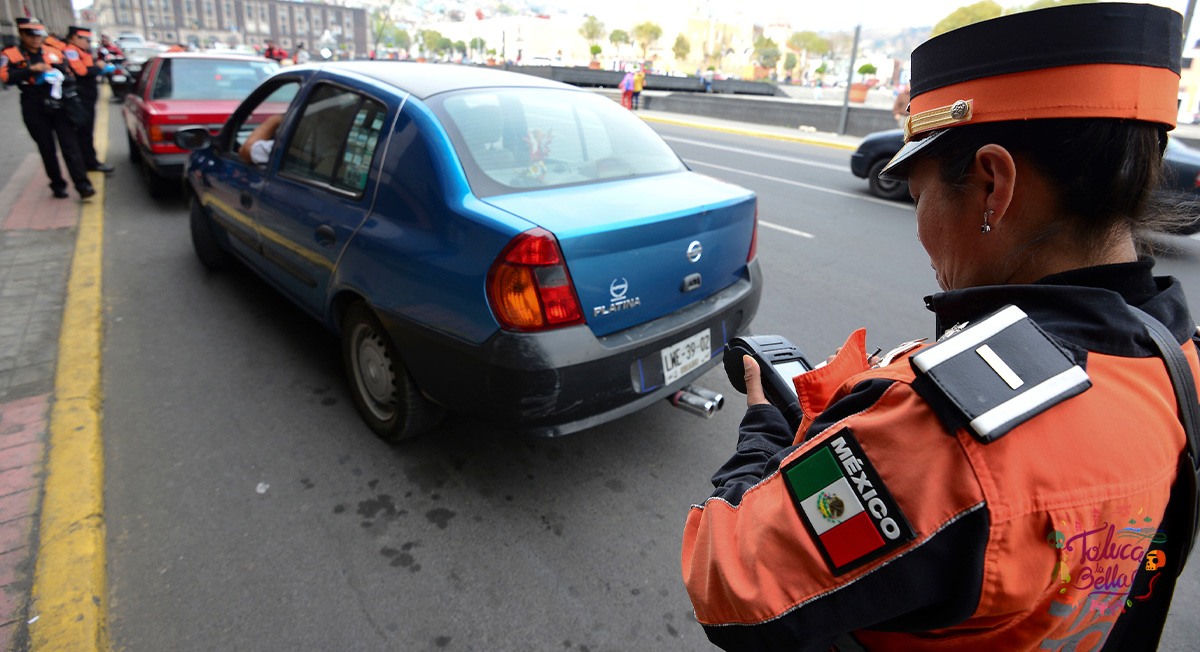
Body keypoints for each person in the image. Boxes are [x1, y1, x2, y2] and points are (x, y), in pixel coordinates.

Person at [681, 4, 1197, 651]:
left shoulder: (938, 435)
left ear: (992, 185)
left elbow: (726, 580)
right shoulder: (1175, 357)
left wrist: (766, 432)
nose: (920, 227)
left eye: (919, 194)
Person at [1, 18, 95, 199]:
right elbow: (5, 77)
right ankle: (57, 185)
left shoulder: (53, 52)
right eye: (31, 34)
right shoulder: (10, 53)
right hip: (33, 102)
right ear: (21, 34)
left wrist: (57, 74)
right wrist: (31, 70)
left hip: (58, 101)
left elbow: (69, 74)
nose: (36, 38)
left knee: (70, 145)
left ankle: (83, 185)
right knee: (46, 147)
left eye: (39, 34)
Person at [63, 26, 115, 174]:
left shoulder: (81, 51)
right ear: (74, 38)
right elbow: (82, 72)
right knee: (84, 131)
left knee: (87, 130)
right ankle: (89, 163)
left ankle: (88, 161)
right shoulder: (71, 51)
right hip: (80, 97)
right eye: (86, 39)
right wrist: (98, 67)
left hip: (87, 96)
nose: (88, 42)